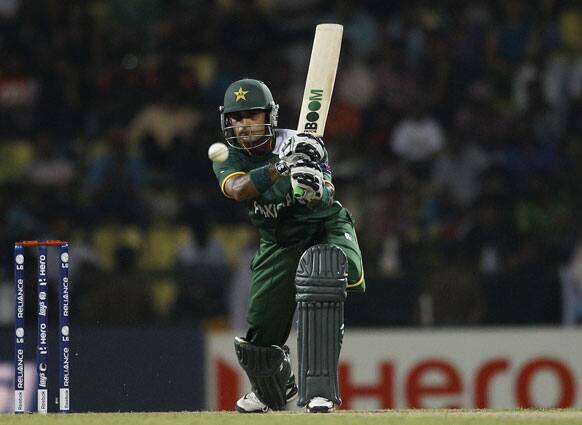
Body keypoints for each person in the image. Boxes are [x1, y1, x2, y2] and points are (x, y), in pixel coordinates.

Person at [212, 78, 365, 413]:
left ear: (269, 115)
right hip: (279, 240)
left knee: (322, 278)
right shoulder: (227, 156)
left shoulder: (301, 142)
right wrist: (283, 167)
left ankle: (320, 391)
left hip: (323, 227)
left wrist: (311, 189)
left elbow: (327, 193)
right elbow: (239, 189)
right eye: (236, 118)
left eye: (251, 115)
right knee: (258, 344)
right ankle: (270, 392)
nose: (243, 124)